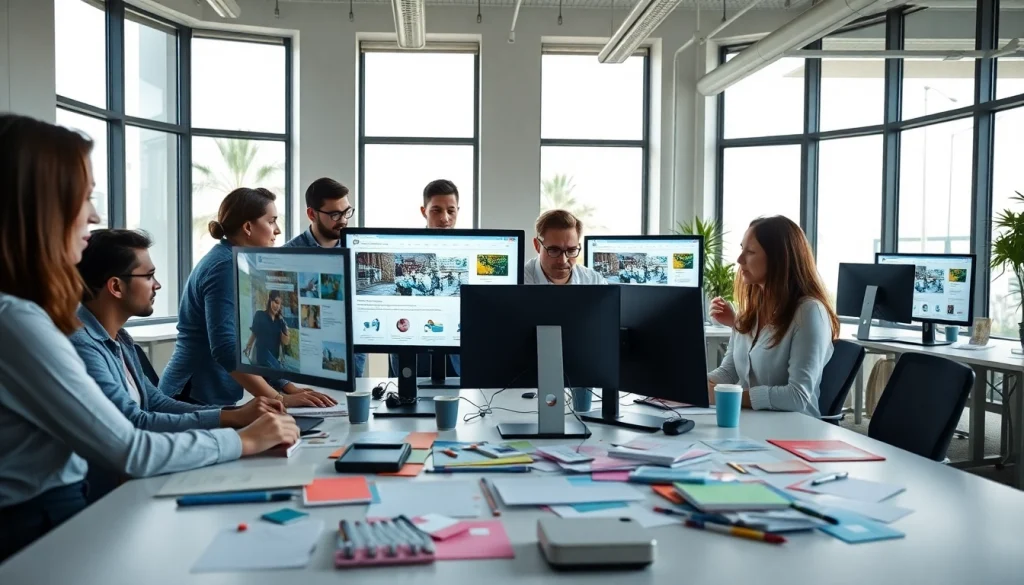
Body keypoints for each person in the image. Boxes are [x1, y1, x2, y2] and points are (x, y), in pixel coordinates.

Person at [0, 114, 299, 561]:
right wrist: (245, 438)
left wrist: (237, 417)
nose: (95, 214)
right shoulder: (19, 321)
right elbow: (130, 444)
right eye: (84, 199)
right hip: (35, 521)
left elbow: (147, 411)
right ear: (40, 209)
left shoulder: (40, 317)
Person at [70, 229, 284, 501]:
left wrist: (232, 414)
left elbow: (156, 402)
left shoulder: (120, 338)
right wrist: (239, 431)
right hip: (108, 496)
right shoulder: (83, 346)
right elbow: (135, 422)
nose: (157, 285)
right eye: (148, 276)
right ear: (115, 287)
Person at [158, 187, 337, 408]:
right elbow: (225, 347)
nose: (278, 230)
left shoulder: (235, 260)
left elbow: (253, 342)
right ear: (248, 227)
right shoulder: (225, 266)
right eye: (271, 221)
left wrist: (288, 387)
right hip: (189, 396)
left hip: (205, 395)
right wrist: (279, 399)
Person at [706, 216, 839, 417]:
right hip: (754, 423)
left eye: (750, 252)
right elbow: (729, 373)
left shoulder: (810, 312)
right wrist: (689, 386)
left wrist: (728, 396)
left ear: (779, 258)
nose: (740, 259)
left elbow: (797, 396)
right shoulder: (749, 312)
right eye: (742, 249)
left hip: (795, 431)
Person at [284, 178, 366, 377]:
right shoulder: (288, 256)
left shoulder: (358, 251)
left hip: (349, 364)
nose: (344, 220)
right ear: (312, 214)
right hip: (302, 367)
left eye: (347, 212)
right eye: (335, 214)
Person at [387, 180, 462, 379]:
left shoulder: (466, 250)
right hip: (413, 347)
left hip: (457, 351)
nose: (445, 218)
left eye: (451, 211)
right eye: (436, 210)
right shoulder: (405, 248)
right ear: (424, 211)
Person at [524, 210, 605, 285]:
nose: (563, 261)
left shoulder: (594, 281)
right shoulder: (519, 281)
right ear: (537, 246)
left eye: (571, 250)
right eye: (554, 250)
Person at [243, 291, 291, 369]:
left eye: (279, 304)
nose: (277, 306)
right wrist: (248, 346)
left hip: (273, 359)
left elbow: (285, 342)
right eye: (276, 302)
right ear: (270, 300)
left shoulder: (280, 321)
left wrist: (284, 326)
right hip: (261, 357)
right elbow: (254, 334)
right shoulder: (260, 315)